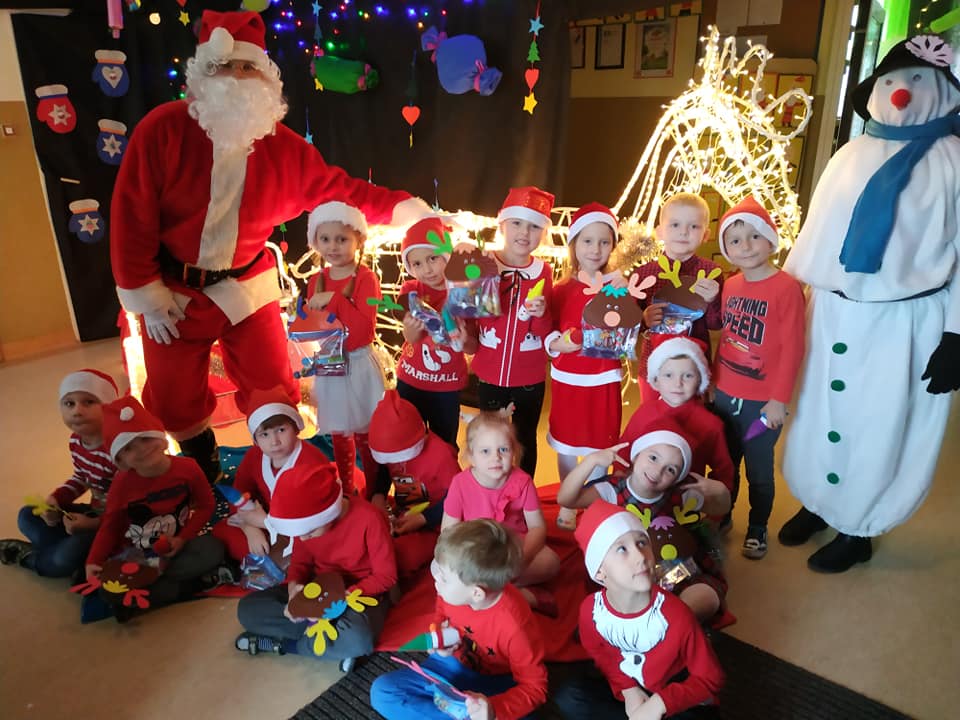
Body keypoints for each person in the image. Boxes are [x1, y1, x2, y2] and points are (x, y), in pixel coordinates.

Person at [110, 9, 431, 484]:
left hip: (248, 286)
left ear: (265, 78)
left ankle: (281, 470)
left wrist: (406, 211)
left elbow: (341, 191)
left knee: (273, 386)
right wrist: (146, 292)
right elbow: (131, 215)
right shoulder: (163, 130)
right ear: (204, 73)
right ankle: (202, 470)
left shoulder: (282, 146)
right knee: (174, 397)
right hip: (173, 294)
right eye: (225, 67)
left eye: (248, 67)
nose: (237, 78)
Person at [780, 36, 960, 573]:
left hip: (903, 319)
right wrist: (787, 301)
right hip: (832, 309)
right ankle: (817, 500)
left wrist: (957, 333)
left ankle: (858, 526)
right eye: (891, 81)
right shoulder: (850, 154)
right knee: (816, 408)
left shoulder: (954, 163)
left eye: (916, 79)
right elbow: (817, 232)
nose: (901, 92)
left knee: (878, 420)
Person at [554, 501, 723, 719]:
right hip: (633, 690)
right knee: (570, 697)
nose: (641, 556)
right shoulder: (591, 612)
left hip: (675, 696)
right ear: (599, 572)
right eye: (622, 549)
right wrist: (628, 689)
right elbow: (601, 654)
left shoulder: (676, 615)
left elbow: (711, 677)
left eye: (642, 542)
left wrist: (660, 704)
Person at [370, 519, 548, 720]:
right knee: (382, 692)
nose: (436, 580)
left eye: (444, 578)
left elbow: (535, 687)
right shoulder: (452, 593)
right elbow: (441, 613)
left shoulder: (515, 627)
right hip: (447, 666)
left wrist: (493, 709)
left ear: (476, 593)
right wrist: (439, 632)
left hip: (495, 684)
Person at [558, 420, 730, 623]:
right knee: (624, 599)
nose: (657, 472)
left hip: (678, 572)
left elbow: (720, 509)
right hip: (630, 577)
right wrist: (592, 461)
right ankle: (654, 620)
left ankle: (667, 621)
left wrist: (721, 491)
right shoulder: (612, 491)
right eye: (653, 458)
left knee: (707, 598)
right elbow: (566, 499)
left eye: (670, 470)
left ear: (677, 478)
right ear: (636, 455)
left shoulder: (680, 494)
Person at [711, 197, 805, 560]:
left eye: (755, 236)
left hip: (761, 404)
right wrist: (712, 384)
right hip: (725, 394)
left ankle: (757, 525)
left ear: (770, 240)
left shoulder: (786, 287)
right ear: (726, 249)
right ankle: (723, 516)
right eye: (735, 240)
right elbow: (726, 338)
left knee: (759, 469)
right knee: (725, 463)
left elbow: (793, 347)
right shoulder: (731, 285)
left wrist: (778, 399)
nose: (746, 246)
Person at [235, 463, 396, 672]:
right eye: (299, 533)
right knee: (247, 610)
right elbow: (300, 564)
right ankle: (330, 641)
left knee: (358, 639)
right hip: (317, 591)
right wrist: (294, 590)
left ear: (329, 514)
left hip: (361, 597)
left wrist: (343, 598)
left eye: (309, 532)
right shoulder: (305, 524)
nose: (303, 538)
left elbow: (386, 576)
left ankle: (286, 645)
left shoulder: (370, 518)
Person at [85, 397, 224, 620]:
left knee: (213, 549)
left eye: (145, 438)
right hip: (136, 554)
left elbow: (206, 506)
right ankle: (178, 586)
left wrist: (182, 539)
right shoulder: (122, 484)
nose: (142, 449)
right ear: (121, 460)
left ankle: (155, 589)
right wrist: (94, 560)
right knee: (108, 591)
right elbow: (110, 526)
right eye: (129, 447)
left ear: (161, 437)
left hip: (177, 546)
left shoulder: (188, 468)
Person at [545, 203, 626, 531]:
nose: (595, 249)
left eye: (604, 242)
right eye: (588, 241)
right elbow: (548, 327)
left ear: (613, 246)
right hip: (568, 379)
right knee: (566, 443)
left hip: (603, 379)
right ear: (574, 245)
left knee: (599, 443)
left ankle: (591, 500)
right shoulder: (561, 289)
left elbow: (625, 330)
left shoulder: (618, 287)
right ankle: (569, 499)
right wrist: (556, 343)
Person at [466, 186, 555, 479]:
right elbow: (471, 316)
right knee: (490, 439)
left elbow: (545, 331)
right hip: (489, 374)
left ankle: (524, 491)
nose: (524, 232)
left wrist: (541, 314)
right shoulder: (484, 263)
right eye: (517, 223)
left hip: (529, 376)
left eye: (534, 226)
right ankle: (491, 487)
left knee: (525, 438)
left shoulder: (544, 272)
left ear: (543, 232)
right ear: (502, 224)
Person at [0, 370, 119, 578]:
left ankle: (31, 557)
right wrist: (56, 500)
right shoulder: (76, 441)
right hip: (94, 513)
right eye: (69, 403)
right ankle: (74, 557)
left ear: (109, 407)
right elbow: (81, 478)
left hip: (117, 526)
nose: (77, 411)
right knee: (27, 515)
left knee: (66, 556)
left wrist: (93, 525)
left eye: (89, 402)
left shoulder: (120, 449)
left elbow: (135, 507)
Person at [305, 201, 387, 497]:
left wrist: (335, 301)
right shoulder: (316, 280)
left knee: (366, 433)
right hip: (330, 363)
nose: (333, 246)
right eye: (325, 239)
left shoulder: (365, 279)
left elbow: (362, 332)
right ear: (315, 242)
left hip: (359, 364)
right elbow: (314, 327)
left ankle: (376, 492)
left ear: (359, 241)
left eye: (341, 239)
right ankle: (348, 489)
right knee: (339, 435)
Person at [442, 411, 560, 616]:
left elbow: (537, 528)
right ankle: (517, 595)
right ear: (471, 456)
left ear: (514, 451)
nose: (496, 457)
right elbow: (448, 532)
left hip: (513, 547)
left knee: (551, 563)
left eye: (503, 449)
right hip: (476, 550)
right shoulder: (459, 483)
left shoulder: (523, 481)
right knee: (441, 567)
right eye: (485, 451)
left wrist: (522, 559)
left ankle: (490, 593)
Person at [210, 385, 333, 561]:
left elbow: (316, 518)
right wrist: (249, 527)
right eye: (264, 435)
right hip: (264, 519)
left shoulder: (312, 462)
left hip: (304, 526)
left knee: (315, 549)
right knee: (225, 533)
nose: (274, 441)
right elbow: (240, 492)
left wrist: (266, 522)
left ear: (296, 428)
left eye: (281, 430)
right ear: (255, 439)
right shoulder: (254, 456)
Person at [618, 335, 735, 502]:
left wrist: (714, 508)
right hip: (638, 497)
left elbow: (723, 472)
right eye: (668, 375)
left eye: (688, 376)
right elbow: (623, 452)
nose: (678, 383)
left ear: (700, 380)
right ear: (656, 380)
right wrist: (619, 486)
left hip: (683, 504)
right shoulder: (645, 412)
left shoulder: (711, 425)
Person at [633, 193, 723, 404]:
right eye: (675, 225)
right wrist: (643, 319)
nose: (684, 232)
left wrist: (713, 300)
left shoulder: (711, 272)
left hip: (694, 368)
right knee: (653, 416)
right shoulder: (644, 274)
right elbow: (629, 325)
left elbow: (715, 323)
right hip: (653, 366)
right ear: (660, 232)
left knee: (691, 418)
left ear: (705, 234)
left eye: (694, 226)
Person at [367, 390, 460, 578]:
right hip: (407, 510)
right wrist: (378, 495)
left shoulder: (441, 455)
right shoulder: (391, 450)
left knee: (401, 556)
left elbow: (459, 498)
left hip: (438, 524)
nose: (395, 463)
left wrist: (424, 518)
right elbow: (384, 470)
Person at [395, 216, 469, 448]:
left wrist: (464, 339)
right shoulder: (411, 290)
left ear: (446, 256)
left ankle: (443, 474)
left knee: (445, 444)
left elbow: (472, 346)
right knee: (407, 440)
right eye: (417, 264)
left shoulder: (460, 291)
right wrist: (411, 329)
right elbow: (411, 338)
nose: (427, 269)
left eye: (433, 258)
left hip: (446, 386)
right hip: (410, 381)